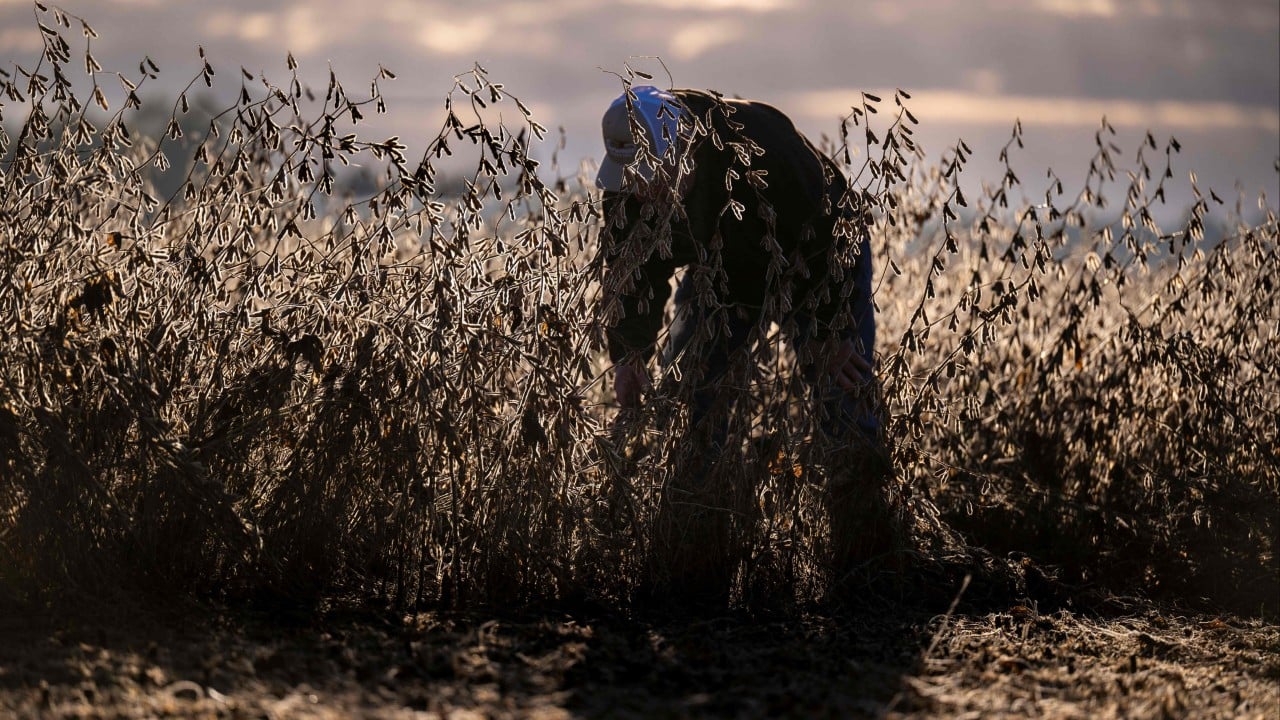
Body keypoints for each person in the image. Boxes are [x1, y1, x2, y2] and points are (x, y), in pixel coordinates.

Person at [596, 85, 895, 584]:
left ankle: (869, 561)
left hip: (816, 268)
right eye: (633, 180)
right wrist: (628, 354)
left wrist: (833, 328)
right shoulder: (627, 195)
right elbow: (629, 278)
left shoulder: (761, 144)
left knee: (845, 396)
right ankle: (690, 555)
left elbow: (833, 234)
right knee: (690, 402)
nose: (642, 189)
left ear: (684, 148)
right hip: (723, 276)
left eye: (652, 176)